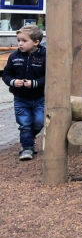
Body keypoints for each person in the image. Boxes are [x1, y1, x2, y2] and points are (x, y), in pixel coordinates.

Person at [3, 24, 46, 161]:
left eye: (24, 41)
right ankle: (27, 148)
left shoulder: (45, 55)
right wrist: (13, 82)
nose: (20, 44)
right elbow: (6, 74)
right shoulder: (14, 56)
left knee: (39, 122)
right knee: (25, 124)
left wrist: (35, 83)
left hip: (39, 98)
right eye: (18, 40)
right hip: (20, 98)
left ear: (36, 42)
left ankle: (29, 138)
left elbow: (50, 75)